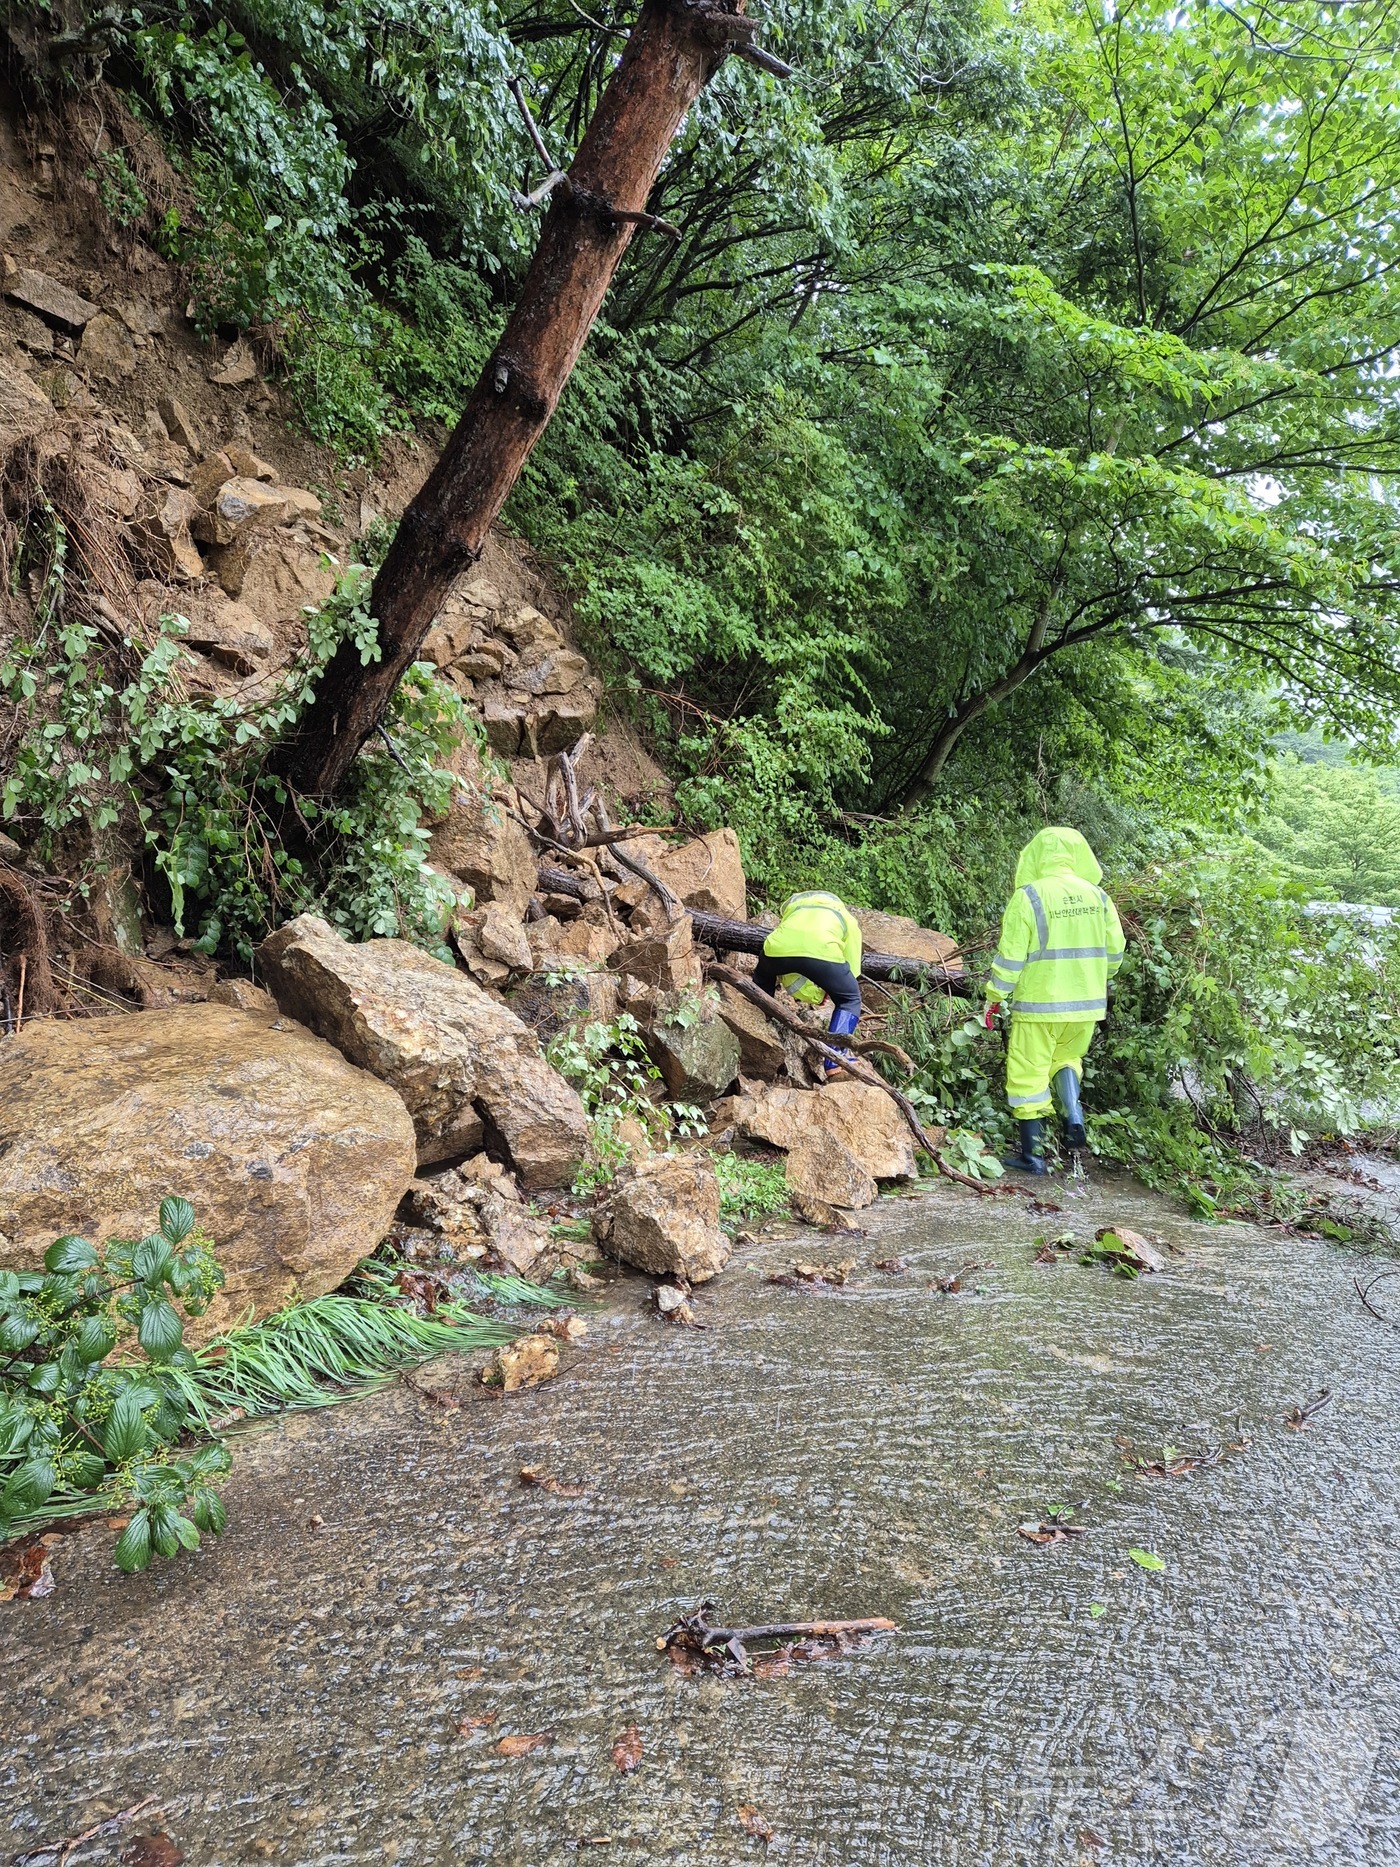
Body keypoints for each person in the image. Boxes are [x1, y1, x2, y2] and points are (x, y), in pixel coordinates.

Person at [983, 827, 1125, 1173]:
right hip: (1087, 1006)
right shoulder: (1098, 897)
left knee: (1028, 1078)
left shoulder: (1029, 897)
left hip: (1039, 1006)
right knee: (1067, 1057)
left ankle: (1033, 1158)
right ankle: (1073, 1113)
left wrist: (994, 997)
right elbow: (1116, 952)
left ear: (1036, 856)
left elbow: (1011, 958)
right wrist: (1094, 979)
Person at [753, 890, 863, 1073]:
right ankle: (834, 1059)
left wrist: (807, 992)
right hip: (823, 954)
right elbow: (852, 970)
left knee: (764, 977)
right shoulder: (846, 918)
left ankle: (757, 1024)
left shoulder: (795, 909)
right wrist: (823, 991)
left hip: (774, 953)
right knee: (849, 999)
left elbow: (792, 963)